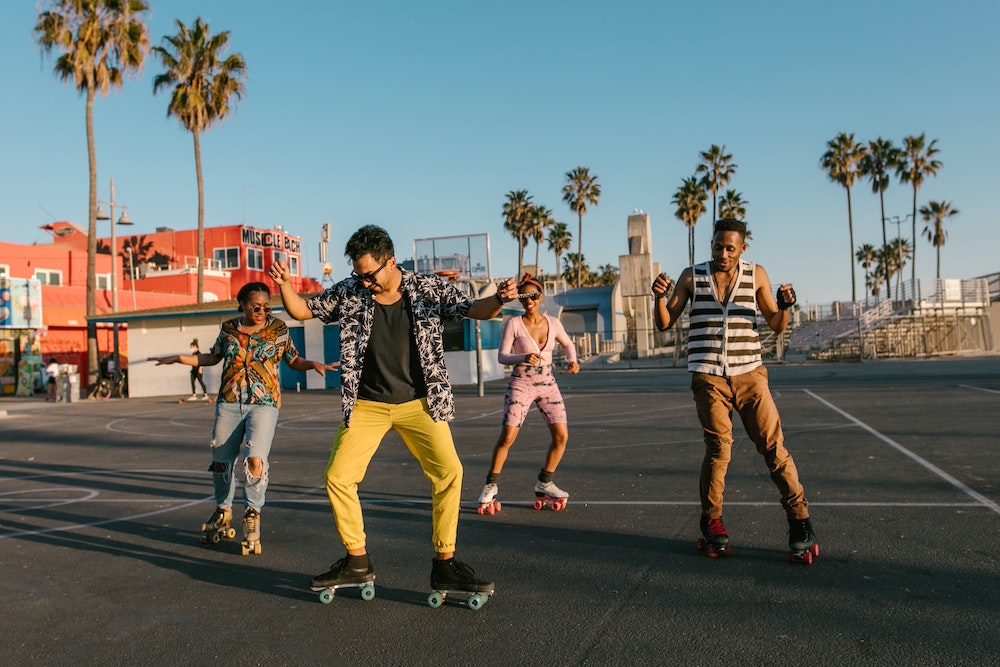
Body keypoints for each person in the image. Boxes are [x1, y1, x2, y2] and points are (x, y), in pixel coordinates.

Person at [269, 224, 517, 601]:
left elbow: (474, 309)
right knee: (338, 476)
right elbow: (303, 310)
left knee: (450, 473)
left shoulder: (426, 289)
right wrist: (286, 283)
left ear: (390, 260)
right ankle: (356, 560)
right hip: (367, 404)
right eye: (359, 274)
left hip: (420, 402)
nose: (364, 281)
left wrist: (498, 298)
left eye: (369, 273)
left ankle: (445, 564)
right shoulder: (351, 292)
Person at [651, 218, 818, 561]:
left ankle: (800, 520)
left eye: (730, 248)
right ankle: (712, 522)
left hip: (750, 375)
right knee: (718, 448)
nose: (723, 254)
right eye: (717, 246)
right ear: (710, 244)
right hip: (708, 376)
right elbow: (665, 323)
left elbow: (776, 324)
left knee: (773, 447)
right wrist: (657, 298)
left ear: (743, 248)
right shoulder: (691, 276)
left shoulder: (756, 274)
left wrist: (786, 306)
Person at [149, 282, 337, 555]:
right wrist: (178, 358)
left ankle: (252, 511)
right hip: (229, 402)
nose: (262, 311)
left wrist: (313, 364)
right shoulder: (228, 328)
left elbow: (293, 360)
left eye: (266, 306)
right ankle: (223, 510)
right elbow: (213, 357)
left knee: (255, 460)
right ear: (243, 305)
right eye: (256, 306)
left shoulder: (279, 329)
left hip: (265, 403)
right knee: (220, 463)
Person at [477, 274, 580, 514]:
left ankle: (545, 481)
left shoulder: (553, 322)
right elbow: (502, 356)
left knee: (561, 436)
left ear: (541, 297)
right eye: (524, 298)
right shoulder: (514, 323)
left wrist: (572, 361)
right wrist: (522, 357)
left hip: (547, 381)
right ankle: (490, 486)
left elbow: (567, 343)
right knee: (508, 437)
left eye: (533, 296)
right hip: (521, 382)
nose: (529, 301)